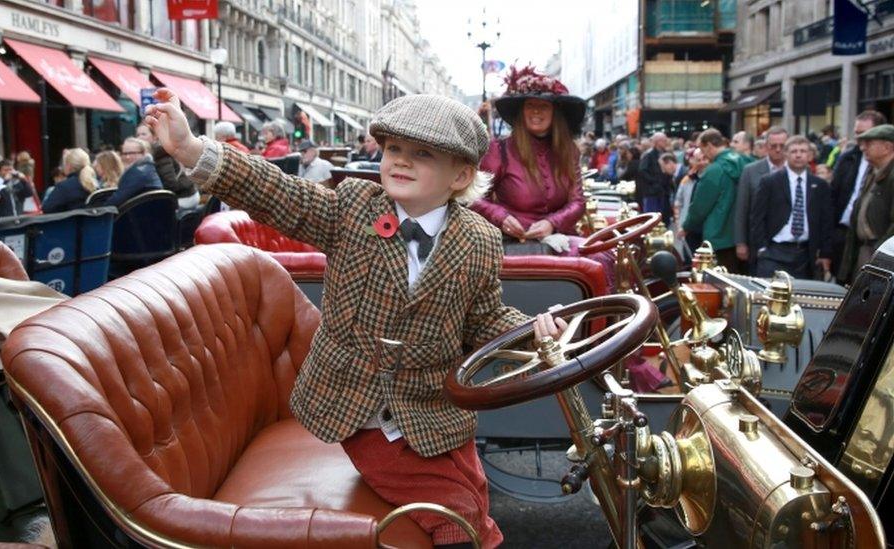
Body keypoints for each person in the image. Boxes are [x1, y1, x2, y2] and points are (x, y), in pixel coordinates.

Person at [144, 88, 569, 549]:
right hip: (357, 407)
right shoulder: (352, 207)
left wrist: (532, 330)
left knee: (473, 486)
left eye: (422, 153)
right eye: (393, 149)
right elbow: (276, 192)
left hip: (431, 405)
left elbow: (483, 317)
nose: (400, 161)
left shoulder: (480, 240)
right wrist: (192, 150)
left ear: (461, 174)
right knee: (454, 512)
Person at [470, 65, 616, 287]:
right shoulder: (498, 150)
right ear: (522, 112)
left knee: (602, 258)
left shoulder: (569, 151)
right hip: (509, 241)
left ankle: (601, 321)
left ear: (554, 113)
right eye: (531, 105)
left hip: (559, 239)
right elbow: (474, 197)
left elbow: (577, 202)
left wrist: (552, 223)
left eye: (543, 106)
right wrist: (501, 218)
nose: (536, 112)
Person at [750, 136, 833, 279]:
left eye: (803, 151)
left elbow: (826, 220)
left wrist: (825, 252)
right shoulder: (770, 182)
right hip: (774, 252)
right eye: (794, 151)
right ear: (786, 154)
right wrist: (762, 248)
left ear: (810, 155)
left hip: (805, 254)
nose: (798, 155)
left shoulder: (819, 185)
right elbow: (757, 217)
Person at [831, 110, 887, 282]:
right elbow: (834, 195)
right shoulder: (847, 158)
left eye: (864, 135)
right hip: (844, 234)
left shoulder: (885, 167)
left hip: (874, 243)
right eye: (856, 133)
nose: (860, 140)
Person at [683, 129, 749, 270]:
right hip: (744, 234)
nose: (702, 154)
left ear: (709, 146)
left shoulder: (714, 170)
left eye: (702, 148)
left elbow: (700, 207)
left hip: (719, 235)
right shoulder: (746, 161)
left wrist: (686, 226)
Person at [840, 124, 894, 281]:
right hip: (866, 250)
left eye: (869, 143)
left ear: (887, 147)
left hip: (880, 255)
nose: (863, 148)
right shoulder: (873, 172)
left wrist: (881, 254)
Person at [734, 126, 789, 272]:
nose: (778, 149)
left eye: (782, 146)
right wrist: (740, 242)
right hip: (758, 240)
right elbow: (742, 208)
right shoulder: (750, 171)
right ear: (766, 147)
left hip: (788, 243)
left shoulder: (796, 170)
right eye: (773, 146)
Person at [137, 123, 199, 210]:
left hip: (184, 197)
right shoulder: (150, 154)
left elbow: (170, 183)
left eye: (143, 134)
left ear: (155, 137)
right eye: (138, 135)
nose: (140, 137)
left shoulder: (160, 153)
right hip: (183, 194)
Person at [105, 137, 163, 207]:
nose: (127, 157)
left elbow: (116, 201)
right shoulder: (148, 168)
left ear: (144, 153)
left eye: (132, 153)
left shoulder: (138, 172)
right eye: (124, 154)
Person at [674, 147, 708, 259]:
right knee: (689, 260)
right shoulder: (686, 180)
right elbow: (678, 203)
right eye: (698, 160)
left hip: (707, 229)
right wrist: (679, 225)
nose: (702, 163)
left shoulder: (712, 178)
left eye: (704, 159)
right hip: (688, 227)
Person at [41, 148, 97, 213]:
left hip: (71, 222)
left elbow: (46, 209)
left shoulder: (64, 187)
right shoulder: (96, 184)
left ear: (69, 166)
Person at [637, 132, 672, 224]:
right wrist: (654, 182)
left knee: (663, 217)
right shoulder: (648, 155)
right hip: (652, 192)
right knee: (651, 217)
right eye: (664, 140)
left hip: (664, 191)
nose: (666, 142)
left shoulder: (666, 154)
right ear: (658, 142)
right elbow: (642, 171)